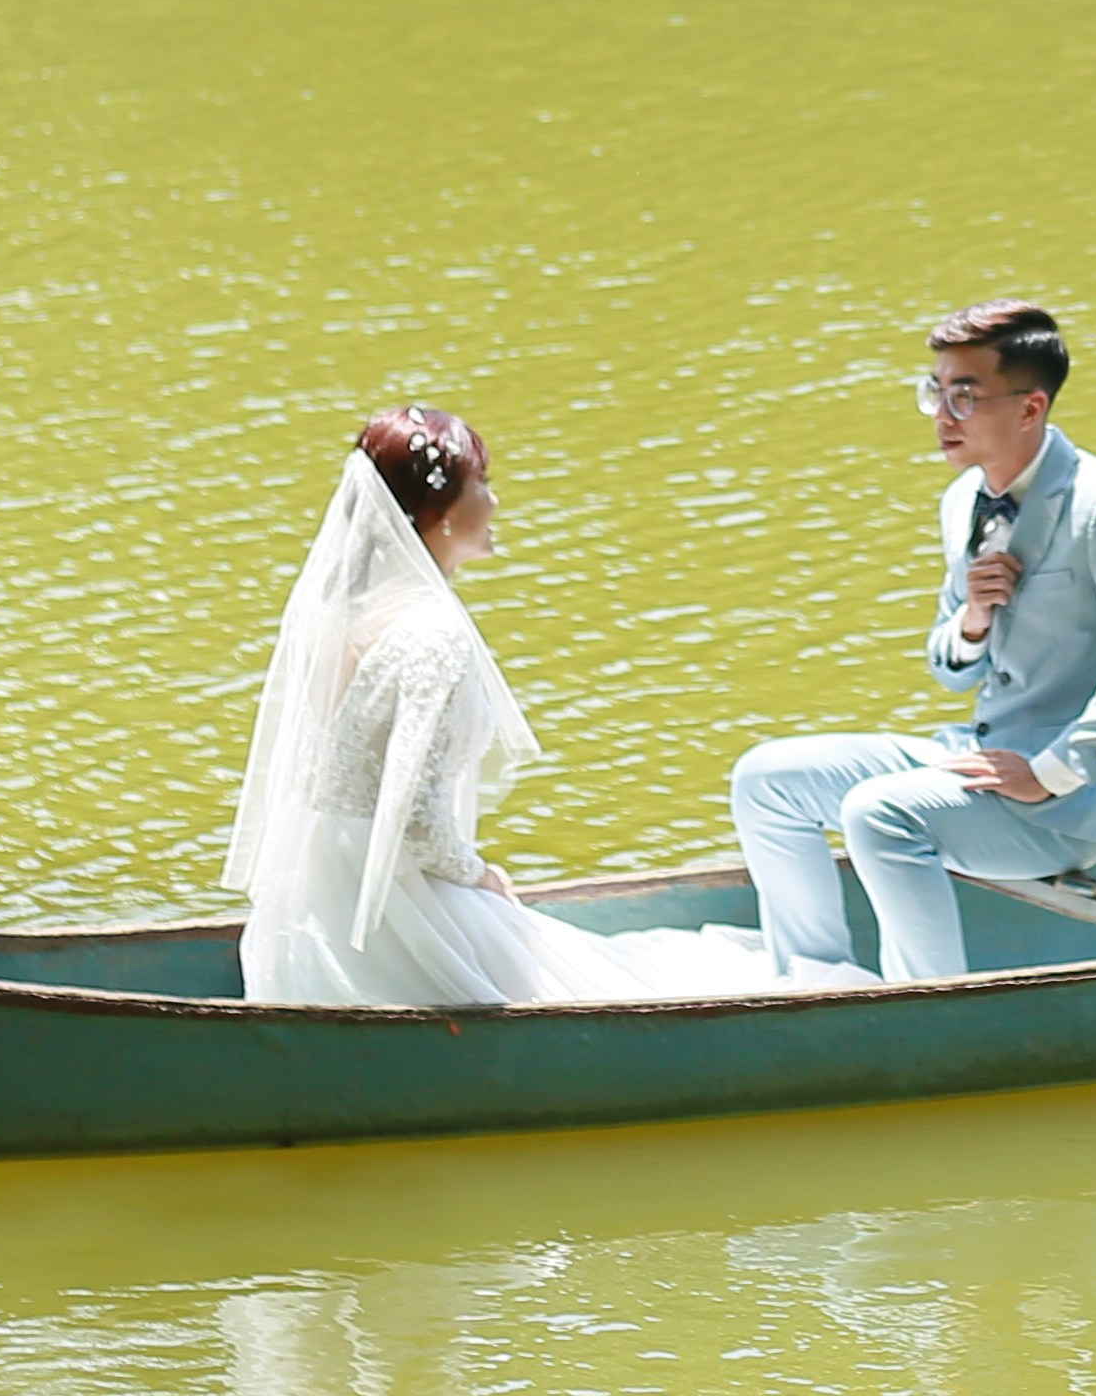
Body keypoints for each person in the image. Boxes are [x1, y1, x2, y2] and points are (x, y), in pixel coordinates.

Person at [223, 406, 793, 1007]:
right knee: (599, 982)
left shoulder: (353, 613)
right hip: (396, 902)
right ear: (438, 513)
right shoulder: (431, 634)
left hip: (320, 893)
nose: (495, 502)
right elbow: (415, 819)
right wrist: (480, 876)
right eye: (483, 485)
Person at [729, 299, 1096, 983]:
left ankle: (929, 1004)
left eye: (964, 396)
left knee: (878, 813)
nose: (943, 416)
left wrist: (1048, 773)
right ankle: (817, 982)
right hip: (976, 756)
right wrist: (973, 617)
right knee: (767, 779)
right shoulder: (961, 500)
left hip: (1060, 802)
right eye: (935, 393)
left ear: (1031, 408)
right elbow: (950, 671)